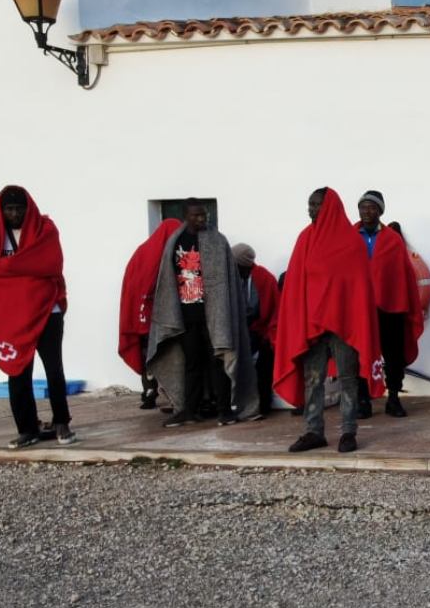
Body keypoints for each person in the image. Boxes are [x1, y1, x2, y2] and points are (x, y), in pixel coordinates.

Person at [274, 188, 383, 453]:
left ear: (330, 207)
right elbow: (296, 284)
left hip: (343, 325)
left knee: (347, 378)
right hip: (311, 325)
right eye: (309, 204)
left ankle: (348, 431)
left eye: (316, 205)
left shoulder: (350, 241)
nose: (310, 210)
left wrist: (346, 314)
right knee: (313, 379)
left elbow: (356, 287)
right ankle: (313, 431)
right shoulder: (305, 239)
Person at [0, 185, 74, 448]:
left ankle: (61, 422)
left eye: (20, 208)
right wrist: (25, 274)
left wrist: (13, 271)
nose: (15, 214)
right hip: (12, 317)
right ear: (1, 210)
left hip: (47, 312)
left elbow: (51, 264)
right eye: (9, 209)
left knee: (54, 369)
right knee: (18, 372)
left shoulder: (45, 230)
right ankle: (27, 428)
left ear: (28, 208)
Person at [146, 199, 257, 427]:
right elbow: (167, 281)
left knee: (219, 360)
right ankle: (188, 410)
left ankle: (225, 411)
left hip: (215, 315)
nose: (202, 218)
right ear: (186, 215)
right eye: (196, 215)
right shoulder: (175, 241)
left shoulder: (217, 241)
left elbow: (227, 281)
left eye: (204, 214)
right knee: (191, 364)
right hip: (186, 315)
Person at [356, 190, 421, 419]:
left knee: (393, 355)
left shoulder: (393, 240)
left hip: (390, 308)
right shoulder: (350, 236)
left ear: (380, 211)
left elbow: (403, 275)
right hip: (360, 308)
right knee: (359, 353)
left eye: (371, 207)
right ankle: (362, 400)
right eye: (363, 207)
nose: (366, 211)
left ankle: (393, 398)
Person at [118, 217, 181, 411]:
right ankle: (169, 395)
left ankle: (149, 392)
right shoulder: (163, 255)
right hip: (155, 315)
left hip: (141, 314)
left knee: (148, 354)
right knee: (164, 353)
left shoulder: (143, 252)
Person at [231, 243, 278, 418]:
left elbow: (267, 311)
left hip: (262, 328)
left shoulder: (263, 278)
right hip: (242, 329)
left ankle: (262, 403)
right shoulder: (236, 278)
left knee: (265, 357)